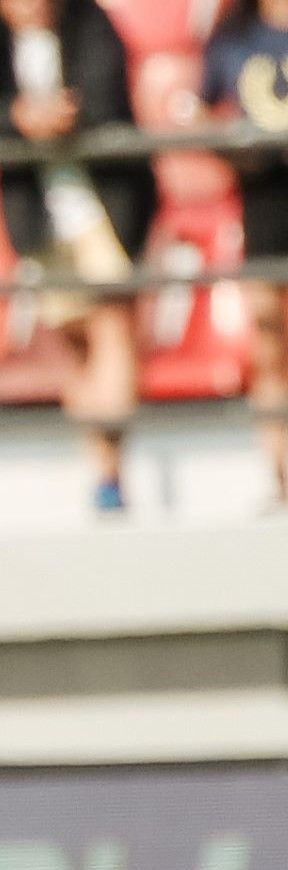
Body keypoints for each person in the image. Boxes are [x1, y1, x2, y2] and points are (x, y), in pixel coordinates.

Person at [0, 0, 157, 513]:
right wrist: (18, 119)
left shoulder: (90, 24)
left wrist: (65, 118)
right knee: (76, 340)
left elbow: (109, 98)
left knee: (113, 325)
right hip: (39, 214)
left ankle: (111, 471)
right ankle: (100, 465)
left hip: (103, 206)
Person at [203, 0, 288, 507]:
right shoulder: (233, 35)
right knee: (269, 344)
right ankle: (280, 476)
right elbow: (209, 110)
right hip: (263, 204)